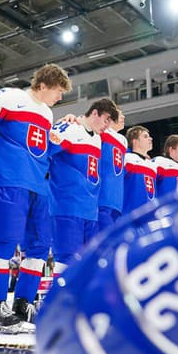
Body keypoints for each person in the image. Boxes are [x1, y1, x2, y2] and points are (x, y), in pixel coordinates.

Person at [0, 64, 70, 333]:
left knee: (40, 247)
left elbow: (44, 147)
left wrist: (65, 130)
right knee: (5, 243)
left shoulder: (47, 112)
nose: (59, 97)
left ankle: (23, 303)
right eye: (57, 91)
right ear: (43, 85)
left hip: (38, 186)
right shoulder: (9, 97)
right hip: (9, 181)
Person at [49, 99, 118, 282]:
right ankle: (61, 306)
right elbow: (44, 152)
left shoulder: (97, 138)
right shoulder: (70, 128)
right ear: (94, 113)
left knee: (89, 262)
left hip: (90, 211)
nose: (106, 126)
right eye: (106, 120)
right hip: (67, 207)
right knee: (66, 260)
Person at [97, 111, 126, 231]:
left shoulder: (123, 140)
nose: (124, 117)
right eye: (120, 114)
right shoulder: (101, 132)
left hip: (117, 200)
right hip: (102, 196)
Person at [123, 125, 156, 213]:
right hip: (130, 214)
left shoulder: (152, 165)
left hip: (150, 215)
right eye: (145, 136)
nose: (150, 139)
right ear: (135, 141)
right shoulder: (127, 158)